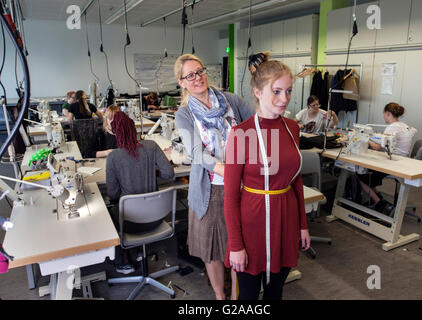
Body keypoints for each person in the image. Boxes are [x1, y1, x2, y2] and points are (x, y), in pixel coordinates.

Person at [224, 52, 310, 300]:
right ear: (258, 92)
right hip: (252, 223)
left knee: (276, 292)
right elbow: (230, 196)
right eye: (277, 91)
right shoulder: (241, 134)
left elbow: (296, 181)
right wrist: (236, 245)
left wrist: (303, 225)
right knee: (248, 296)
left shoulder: (292, 128)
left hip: (286, 219)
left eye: (289, 91)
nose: (285, 99)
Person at [174, 53, 254, 300]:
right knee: (212, 250)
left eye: (200, 71)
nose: (198, 78)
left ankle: (236, 299)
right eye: (190, 75)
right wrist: (230, 171)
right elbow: (197, 153)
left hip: (242, 186)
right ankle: (220, 296)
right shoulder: (185, 114)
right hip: (210, 190)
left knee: (239, 244)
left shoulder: (230, 100)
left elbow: (257, 122)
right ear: (182, 82)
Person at [106, 111, 174, 274]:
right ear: (134, 129)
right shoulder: (151, 146)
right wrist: (150, 172)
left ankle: (125, 259)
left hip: (130, 225)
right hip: (157, 219)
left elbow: (113, 194)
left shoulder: (114, 157)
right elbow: (169, 174)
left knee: (109, 211)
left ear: (116, 133)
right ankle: (138, 252)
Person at [358, 102, 417, 213]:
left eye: (384, 113)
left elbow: (377, 147)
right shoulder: (403, 126)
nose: (383, 116)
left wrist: (365, 138)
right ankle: (378, 196)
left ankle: (379, 203)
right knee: (366, 170)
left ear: (388, 113)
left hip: (394, 164)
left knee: (359, 173)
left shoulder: (392, 128)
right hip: (402, 160)